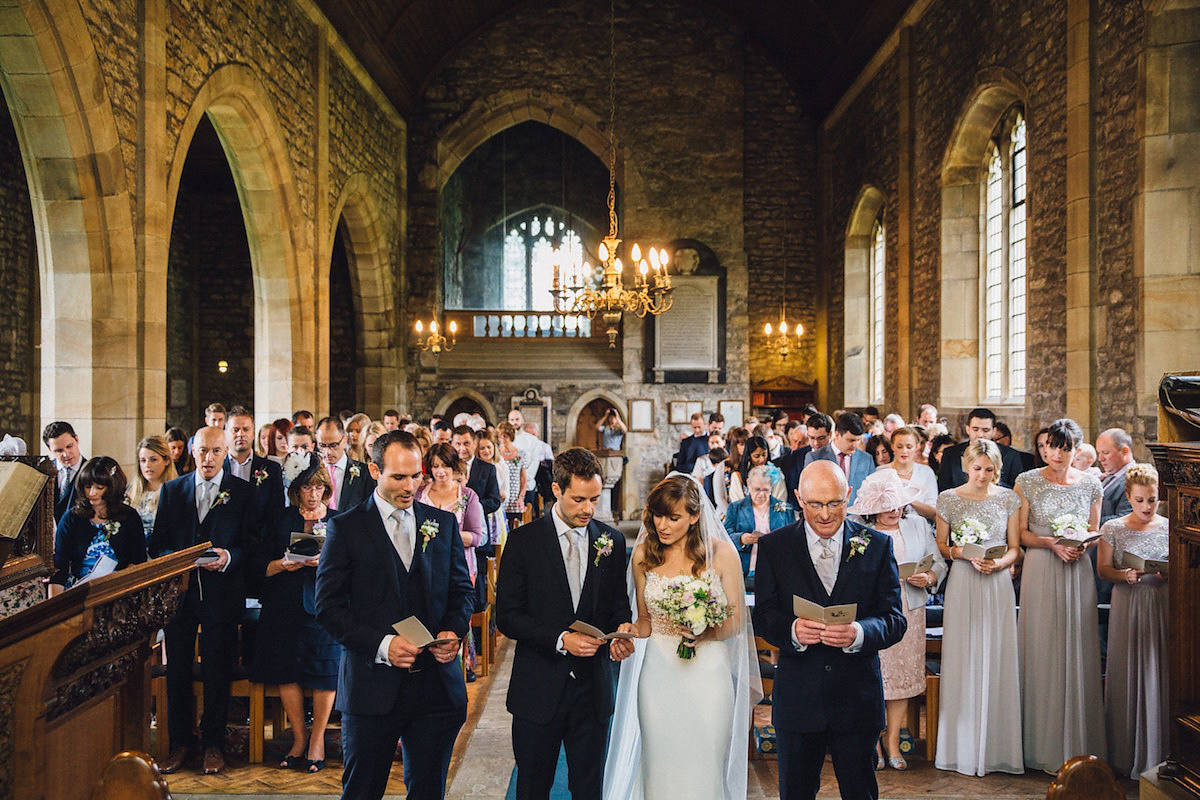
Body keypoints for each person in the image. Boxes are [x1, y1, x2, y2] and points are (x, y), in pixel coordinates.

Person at [315, 431, 473, 800]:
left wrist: (452, 629)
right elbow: (328, 607)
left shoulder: (443, 524)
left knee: (428, 792)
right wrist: (384, 646)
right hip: (372, 689)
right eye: (398, 477)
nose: (410, 486)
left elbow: (462, 591)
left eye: (416, 476)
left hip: (435, 688)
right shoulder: (347, 527)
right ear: (374, 470)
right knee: (362, 792)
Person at [752, 460, 907, 800]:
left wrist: (859, 633)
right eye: (815, 504)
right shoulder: (775, 547)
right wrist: (792, 631)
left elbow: (895, 619)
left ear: (848, 495)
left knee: (860, 792)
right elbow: (763, 615)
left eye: (835, 503)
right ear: (798, 498)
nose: (825, 514)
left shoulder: (877, 545)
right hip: (799, 699)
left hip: (856, 698)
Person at [603, 472, 760, 799]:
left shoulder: (722, 554)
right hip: (659, 675)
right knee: (660, 764)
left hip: (709, 676)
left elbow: (735, 621)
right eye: (658, 515)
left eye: (673, 517)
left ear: (694, 516)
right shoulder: (645, 553)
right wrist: (629, 631)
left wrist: (705, 631)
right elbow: (645, 622)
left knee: (704, 765)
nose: (663, 525)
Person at [495, 448, 636, 800]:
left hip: (593, 690)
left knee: (589, 789)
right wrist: (560, 639)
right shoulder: (524, 541)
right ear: (556, 490)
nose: (588, 509)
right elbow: (508, 617)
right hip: (538, 689)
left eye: (595, 499)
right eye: (579, 499)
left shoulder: (612, 541)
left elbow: (618, 603)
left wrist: (623, 628)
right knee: (533, 787)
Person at [151, 426, 257, 775]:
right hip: (180, 597)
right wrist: (177, 559)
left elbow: (252, 545)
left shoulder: (242, 492)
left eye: (215, 451)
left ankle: (214, 744)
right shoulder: (172, 490)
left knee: (217, 670)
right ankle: (181, 744)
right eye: (202, 451)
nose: (208, 458)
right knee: (177, 670)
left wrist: (230, 556)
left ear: (226, 451)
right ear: (192, 451)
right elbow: (159, 545)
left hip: (222, 596)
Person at [1015, 417, 1105, 772]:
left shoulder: (1091, 484)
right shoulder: (1028, 481)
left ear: (1076, 450)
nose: (1056, 453)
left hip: (1077, 569)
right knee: (1043, 647)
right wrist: (1052, 543)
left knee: (1078, 648)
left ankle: (1079, 744)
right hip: (1041, 566)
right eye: (1051, 446)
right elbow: (1021, 534)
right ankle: (1039, 744)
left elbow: (1095, 528)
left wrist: (1081, 543)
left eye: (1064, 448)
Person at [933, 439, 1024, 776]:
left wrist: (1000, 565)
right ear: (966, 466)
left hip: (997, 583)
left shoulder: (1008, 498)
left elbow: (1015, 547)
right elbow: (942, 546)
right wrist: (963, 553)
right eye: (977, 468)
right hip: (964, 581)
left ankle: (998, 746)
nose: (983, 475)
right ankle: (961, 746)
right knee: (964, 654)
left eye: (989, 469)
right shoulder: (949, 498)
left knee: (997, 654)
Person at [846, 469, 943, 770]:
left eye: (899, 504)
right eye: (888, 505)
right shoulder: (859, 533)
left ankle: (893, 742)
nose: (894, 510)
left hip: (910, 611)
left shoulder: (917, 525)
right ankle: (872, 742)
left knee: (900, 681)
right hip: (874, 614)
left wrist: (928, 576)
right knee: (874, 676)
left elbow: (937, 561)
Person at [251, 452, 341, 773]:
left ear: (326, 489)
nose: (313, 493)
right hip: (284, 603)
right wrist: (283, 564)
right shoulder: (281, 519)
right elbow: (259, 564)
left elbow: (350, 568)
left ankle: (317, 740)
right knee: (286, 671)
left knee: (324, 671)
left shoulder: (338, 520)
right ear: (297, 490)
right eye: (307, 488)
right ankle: (299, 739)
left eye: (318, 488)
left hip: (323, 605)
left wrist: (325, 563)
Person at [1096, 463, 1169, 778]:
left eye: (1152, 500)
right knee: (1127, 669)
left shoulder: (1168, 526)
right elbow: (1103, 570)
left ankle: (1158, 751)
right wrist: (1124, 574)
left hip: (1159, 603)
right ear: (1128, 496)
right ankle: (1125, 754)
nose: (1147, 507)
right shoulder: (1113, 528)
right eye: (1140, 500)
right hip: (1127, 602)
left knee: (1157, 669)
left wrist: (1168, 573)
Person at [416, 444, 486, 679]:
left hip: (460, 565)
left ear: (453, 466)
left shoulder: (467, 496)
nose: (440, 471)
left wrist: (447, 534)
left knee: (456, 614)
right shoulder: (420, 493)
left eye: (445, 466)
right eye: (435, 466)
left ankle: (462, 663)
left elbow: (477, 536)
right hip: (425, 564)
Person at [49, 456, 147, 593]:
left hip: (120, 591)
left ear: (112, 488)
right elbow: (59, 568)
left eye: (99, 488)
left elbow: (138, 562)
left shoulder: (129, 517)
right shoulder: (71, 519)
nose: (91, 493)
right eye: (87, 487)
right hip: (79, 592)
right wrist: (55, 608)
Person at [224, 407, 285, 561]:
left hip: (261, 548)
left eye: (246, 429)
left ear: (253, 433)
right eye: (235, 430)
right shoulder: (216, 469)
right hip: (225, 549)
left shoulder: (271, 469)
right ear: (226, 433)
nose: (240, 434)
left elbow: (276, 512)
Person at [723, 465, 794, 590]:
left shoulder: (785, 508)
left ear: (772, 487)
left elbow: (793, 537)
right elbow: (725, 535)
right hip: (746, 569)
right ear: (749, 485)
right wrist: (741, 539)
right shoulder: (736, 507)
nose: (761, 494)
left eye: (766, 490)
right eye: (757, 489)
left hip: (776, 570)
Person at [936, 408, 1025, 492]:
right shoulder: (951, 453)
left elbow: (1016, 489)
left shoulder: (1011, 455)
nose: (980, 435)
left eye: (985, 430)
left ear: (994, 431)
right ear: (968, 429)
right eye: (975, 429)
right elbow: (943, 487)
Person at [804, 411, 875, 505]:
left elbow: (872, 492)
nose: (855, 445)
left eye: (858, 440)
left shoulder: (866, 459)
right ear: (837, 435)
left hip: (857, 516)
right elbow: (809, 492)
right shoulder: (815, 458)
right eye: (851, 440)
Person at [315, 416, 376, 516]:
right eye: (322, 445)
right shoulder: (312, 471)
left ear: (345, 439)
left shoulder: (364, 473)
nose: (328, 452)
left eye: (333, 445)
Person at [126, 434, 178, 542]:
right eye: (143, 460)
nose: (147, 465)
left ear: (167, 460)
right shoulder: (130, 491)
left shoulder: (175, 492)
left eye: (153, 460)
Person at [880, 426, 937, 521]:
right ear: (892, 446)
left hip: (919, 530)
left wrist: (909, 500)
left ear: (917, 446)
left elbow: (933, 512)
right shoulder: (881, 472)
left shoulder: (926, 472)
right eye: (899, 446)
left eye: (909, 447)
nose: (904, 451)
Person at [44, 420, 86, 523]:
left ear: (76, 439)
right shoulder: (43, 472)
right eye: (59, 451)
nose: (66, 454)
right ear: (50, 449)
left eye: (69, 446)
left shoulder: (93, 471)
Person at [1096, 428, 1135, 525]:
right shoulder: (1106, 476)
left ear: (1124, 451)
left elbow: (1125, 517)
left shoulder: (1135, 479)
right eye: (1099, 453)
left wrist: (1085, 522)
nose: (1100, 459)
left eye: (1105, 453)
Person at [729, 435, 784, 504]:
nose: (761, 459)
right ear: (749, 456)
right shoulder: (738, 476)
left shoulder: (775, 473)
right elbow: (737, 503)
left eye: (764, 455)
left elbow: (780, 500)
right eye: (756, 456)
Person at [496, 421, 528, 532]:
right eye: (500, 437)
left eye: (505, 436)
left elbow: (523, 478)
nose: (503, 439)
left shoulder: (521, 454)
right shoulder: (497, 454)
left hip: (515, 496)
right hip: (502, 495)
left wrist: (521, 497)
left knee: (516, 528)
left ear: (511, 436)